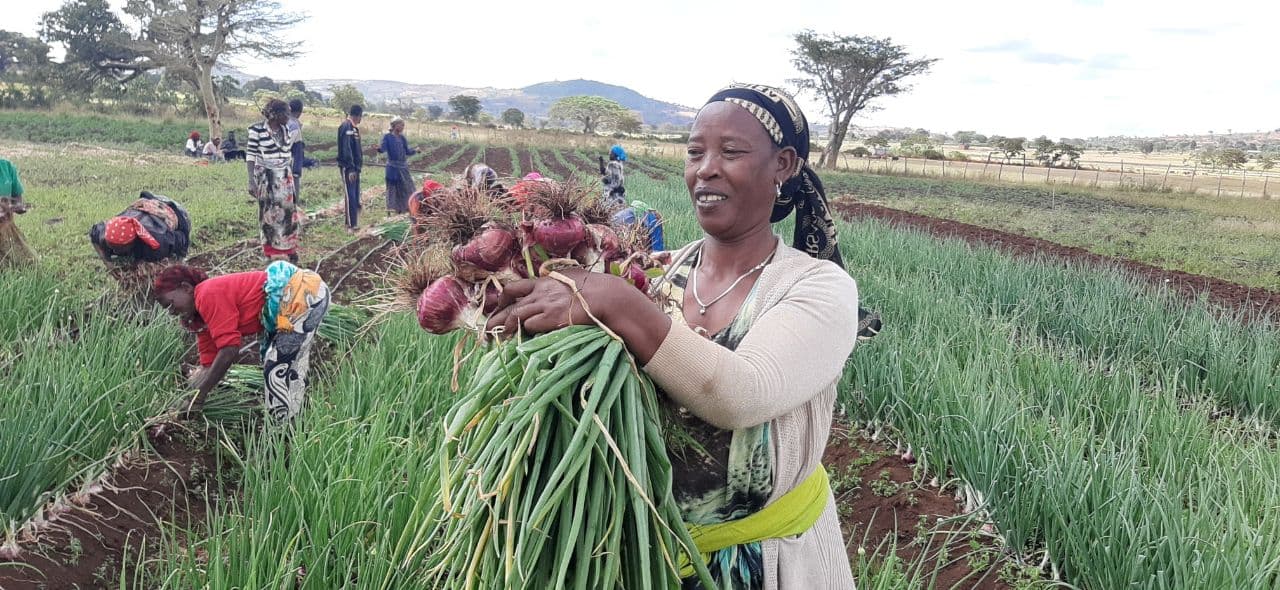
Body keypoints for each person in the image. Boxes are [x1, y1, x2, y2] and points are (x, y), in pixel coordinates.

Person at [487, 84, 876, 589]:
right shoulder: (658, 272)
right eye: (695, 152)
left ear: (782, 165)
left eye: (731, 151)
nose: (706, 168)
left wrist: (616, 302)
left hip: (767, 563)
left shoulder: (819, 288)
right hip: (648, 558)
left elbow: (742, 394)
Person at [153, 261, 330, 421]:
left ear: (186, 288)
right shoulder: (199, 318)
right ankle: (298, 417)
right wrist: (186, 396)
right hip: (298, 297)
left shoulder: (206, 294)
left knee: (277, 368)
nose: (171, 312)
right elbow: (208, 363)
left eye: (170, 303)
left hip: (301, 293)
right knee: (284, 366)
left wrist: (199, 396)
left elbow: (229, 349)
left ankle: (283, 430)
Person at [246, 98, 301, 263]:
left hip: (284, 177)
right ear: (275, 114)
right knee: (269, 215)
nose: (288, 117)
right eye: (286, 113)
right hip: (267, 177)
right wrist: (251, 180)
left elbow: (288, 154)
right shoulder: (257, 130)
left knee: (288, 214)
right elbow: (250, 155)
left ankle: (289, 248)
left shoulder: (286, 130)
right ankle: (270, 251)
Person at [89, 191, 192, 264]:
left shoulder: (159, 241)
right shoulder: (102, 232)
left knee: (171, 262)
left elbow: (182, 238)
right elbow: (94, 236)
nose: (115, 252)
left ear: (132, 241)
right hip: (146, 202)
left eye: (119, 249)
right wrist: (109, 264)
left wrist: (177, 262)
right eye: (112, 247)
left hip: (176, 212)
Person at [376, 116, 418, 214]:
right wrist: (378, 148)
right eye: (401, 125)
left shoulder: (402, 138)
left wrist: (415, 150)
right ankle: (391, 209)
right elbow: (383, 149)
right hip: (392, 167)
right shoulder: (388, 137)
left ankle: (406, 207)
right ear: (394, 125)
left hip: (403, 167)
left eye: (403, 125)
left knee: (407, 187)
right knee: (392, 188)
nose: (403, 127)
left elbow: (407, 151)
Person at [0, 157, 32, 265]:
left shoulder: (7, 167)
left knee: (29, 263)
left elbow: (18, 199)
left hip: (6, 229)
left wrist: (17, 207)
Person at [337, 105, 364, 232]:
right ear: (357, 115)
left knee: (355, 195)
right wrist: (351, 168)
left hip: (356, 168)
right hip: (349, 168)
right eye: (360, 116)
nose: (361, 119)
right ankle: (350, 225)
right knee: (350, 196)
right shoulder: (346, 127)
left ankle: (354, 223)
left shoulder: (354, 129)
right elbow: (346, 149)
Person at [286, 99, 317, 202]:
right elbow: (288, 147)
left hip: (284, 164)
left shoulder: (284, 122)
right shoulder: (294, 126)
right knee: (293, 193)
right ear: (300, 112)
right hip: (292, 164)